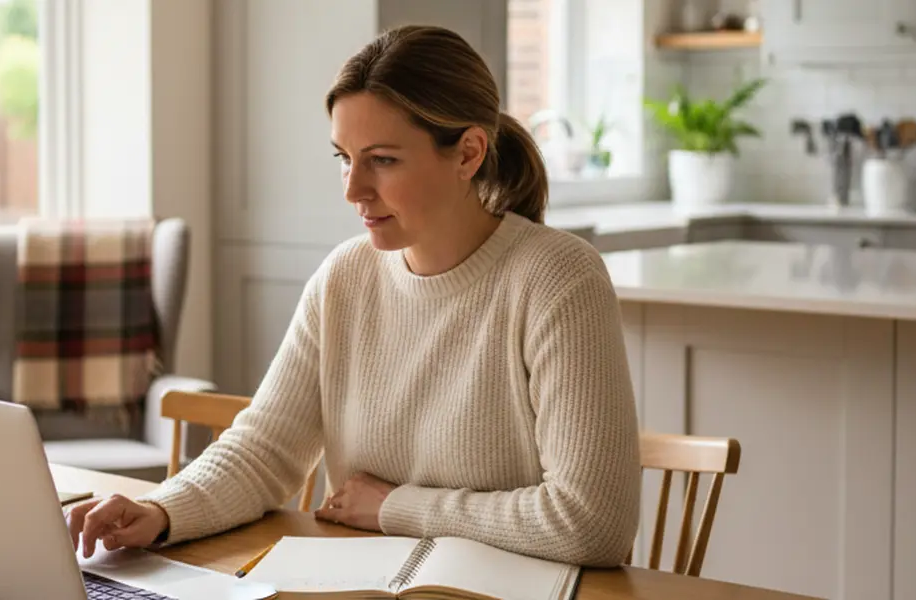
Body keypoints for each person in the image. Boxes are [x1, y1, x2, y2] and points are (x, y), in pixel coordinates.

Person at [66, 24, 640, 568]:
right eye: (344, 157)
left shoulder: (559, 278)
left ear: (468, 153)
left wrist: (395, 507)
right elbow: (264, 451)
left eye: (383, 160)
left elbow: (592, 522)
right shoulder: (345, 277)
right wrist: (161, 510)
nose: (353, 190)